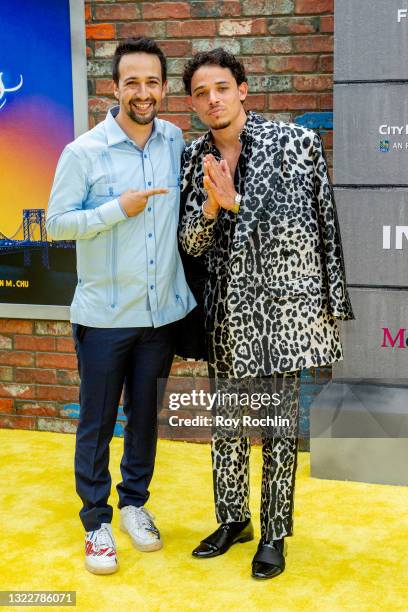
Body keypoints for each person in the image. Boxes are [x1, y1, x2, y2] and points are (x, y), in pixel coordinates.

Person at [179, 48, 354, 580]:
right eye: (201, 92)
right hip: (229, 313)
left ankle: (275, 531)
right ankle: (234, 520)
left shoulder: (295, 143)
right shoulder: (193, 158)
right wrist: (211, 206)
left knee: (278, 427)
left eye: (222, 88)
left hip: (284, 311)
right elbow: (190, 242)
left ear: (243, 89)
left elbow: (307, 221)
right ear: (193, 102)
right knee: (228, 426)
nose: (213, 99)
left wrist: (234, 201)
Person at [46, 37, 195, 575]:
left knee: (145, 419)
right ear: (114, 88)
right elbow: (57, 224)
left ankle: (134, 503)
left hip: (159, 317)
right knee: (97, 420)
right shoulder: (83, 151)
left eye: (152, 81)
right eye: (131, 81)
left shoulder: (175, 140)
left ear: (162, 88)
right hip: (106, 318)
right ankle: (96, 522)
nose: (143, 91)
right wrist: (116, 208)